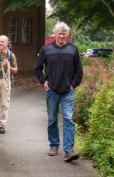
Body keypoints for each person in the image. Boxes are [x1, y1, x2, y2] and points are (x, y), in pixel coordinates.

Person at [34, 22, 83, 162]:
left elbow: (79, 70)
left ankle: (69, 150)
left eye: (63, 33)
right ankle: (54, 145)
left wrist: (74, 84)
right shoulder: (46, 49)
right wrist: (44, 82)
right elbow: (37, 67)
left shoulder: (73, 49)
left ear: (67, 35)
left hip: (68, 91)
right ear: (54, 34)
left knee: (68, 118)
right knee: (52, 119)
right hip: (52, 91)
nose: (61, 36)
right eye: (59, 33)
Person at [0, 35, 18, 134]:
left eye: (2, 42)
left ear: (7, 43)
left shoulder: (11, 55)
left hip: (5, 80)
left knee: (5, 104)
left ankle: (2, 124)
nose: (0, 43)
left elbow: (15, 70)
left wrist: (9, 66)